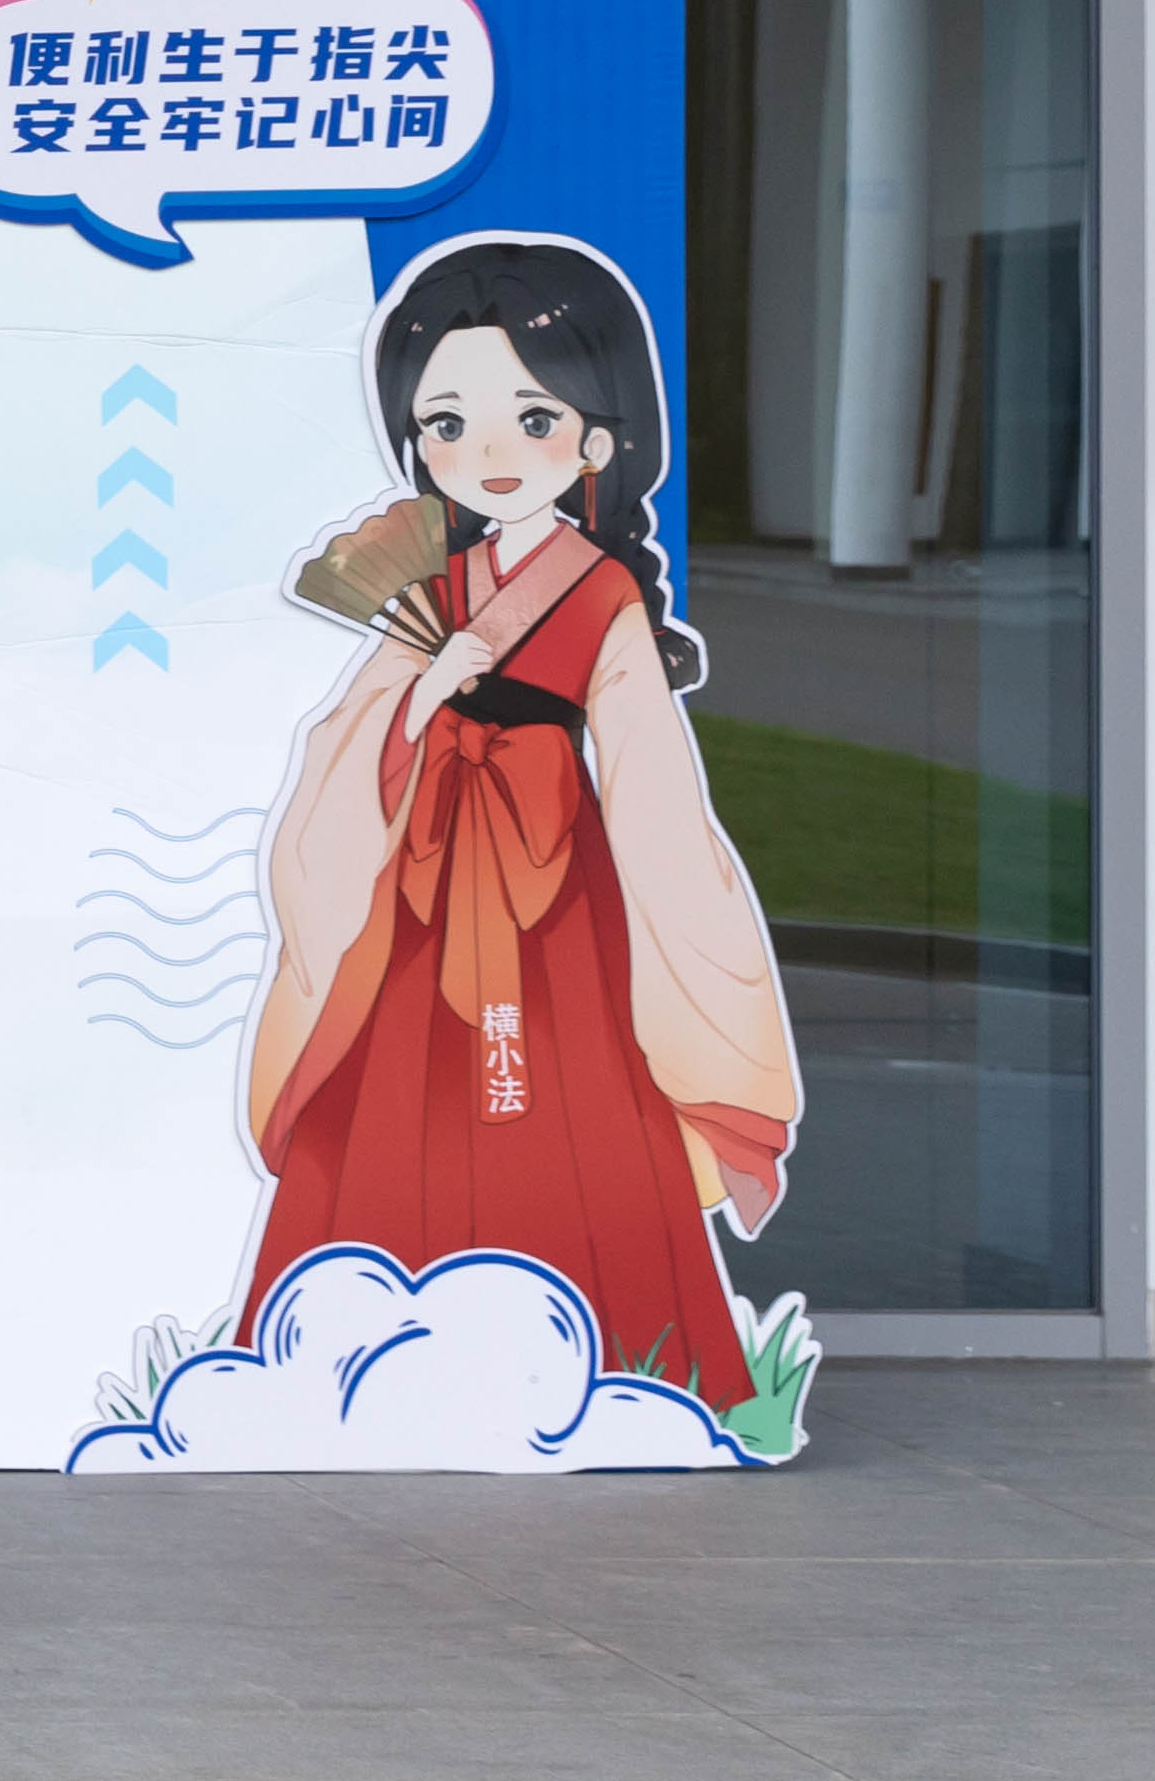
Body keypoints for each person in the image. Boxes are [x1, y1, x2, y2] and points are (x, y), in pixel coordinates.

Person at [239, 234, 801, 1409]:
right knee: (398, 1088)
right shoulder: (432, 585)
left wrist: (690, 926)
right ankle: (348, 1359)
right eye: (447, 425)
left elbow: (651, 783)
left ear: (597, 438)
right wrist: (424, 696)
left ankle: (601, 1358)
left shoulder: (602, 592)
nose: (488, 455)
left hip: (556, 892)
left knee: (559, 1084)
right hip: (422, 880)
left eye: (532, 419)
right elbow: (348, 743)